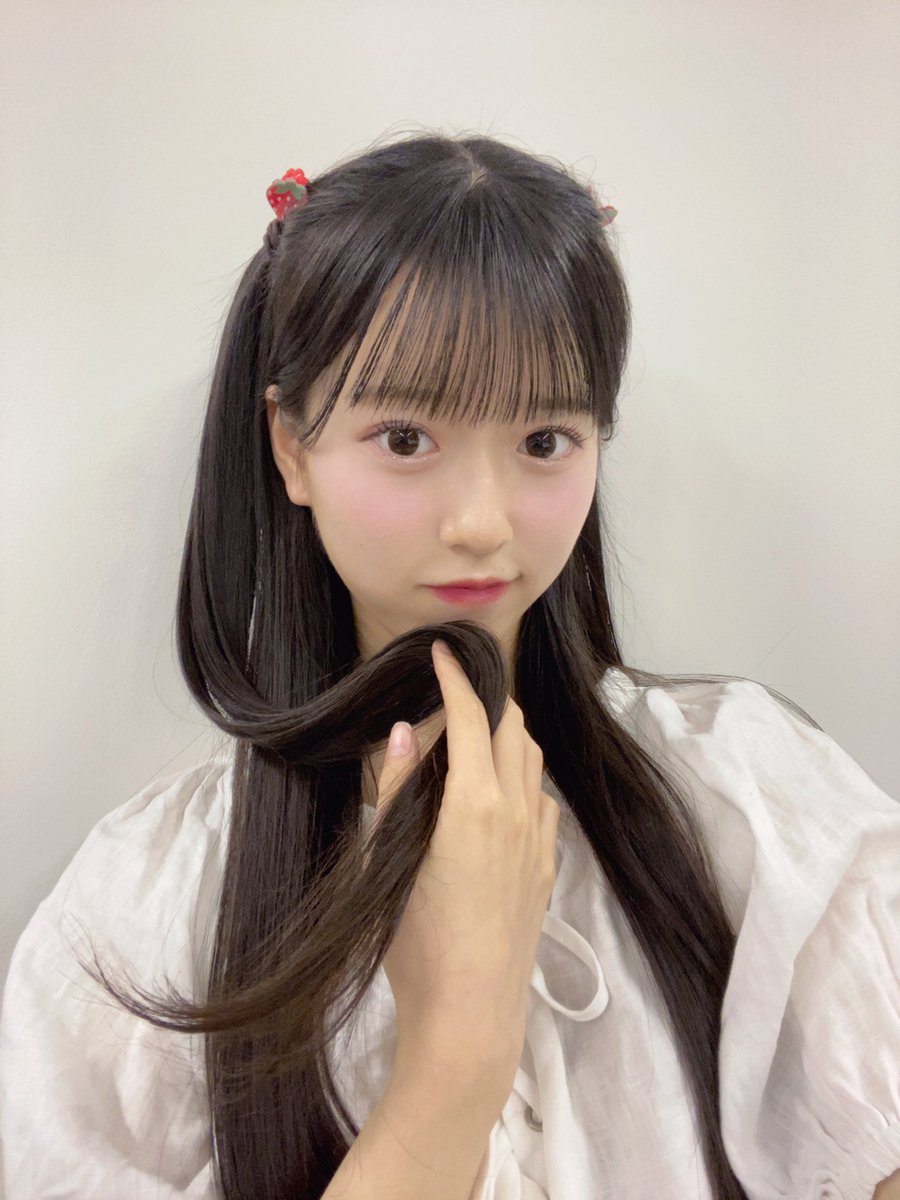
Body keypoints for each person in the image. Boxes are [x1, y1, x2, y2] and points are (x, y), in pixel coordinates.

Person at [1, 130, 898, 1200]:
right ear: (290, 445)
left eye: (545, 441)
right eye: (405, 438)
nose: (482, 523)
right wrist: (455, 1051)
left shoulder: (754, 800)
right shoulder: (141, 909)